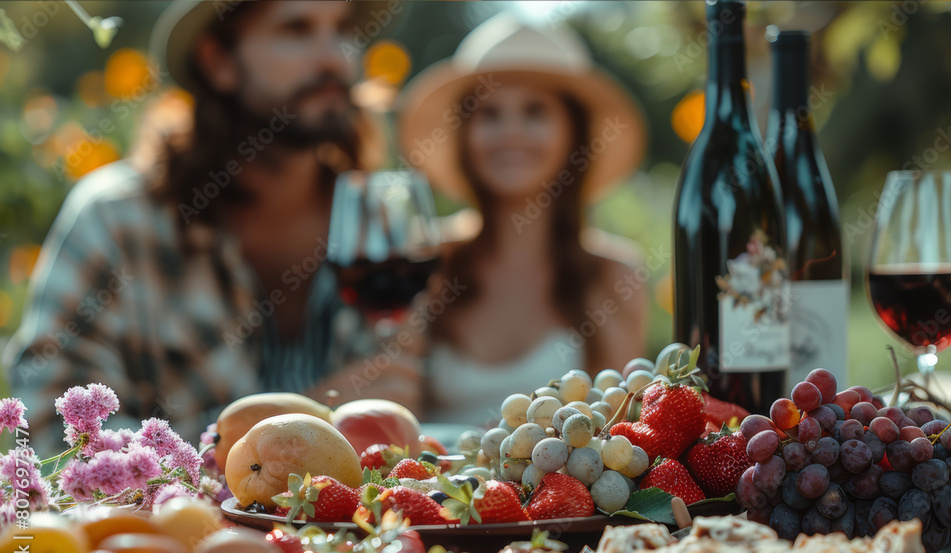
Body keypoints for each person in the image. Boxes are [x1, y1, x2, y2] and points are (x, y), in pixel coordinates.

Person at [3, 1, 421, 453]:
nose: (335, 57)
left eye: (342, 29)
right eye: (296, 29)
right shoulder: (120, 221)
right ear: (217, 60)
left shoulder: (374, 223)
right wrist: (301, 424)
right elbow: (47, 433)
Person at [396, 14, 650, 427]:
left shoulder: (613, 274)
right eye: (490, 114)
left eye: (534, 112)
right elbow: (388, 410)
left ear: (575, 135)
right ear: (464, 134)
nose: (510, 131)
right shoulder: (422, 259)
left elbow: (618, 429)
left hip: (554, 493)